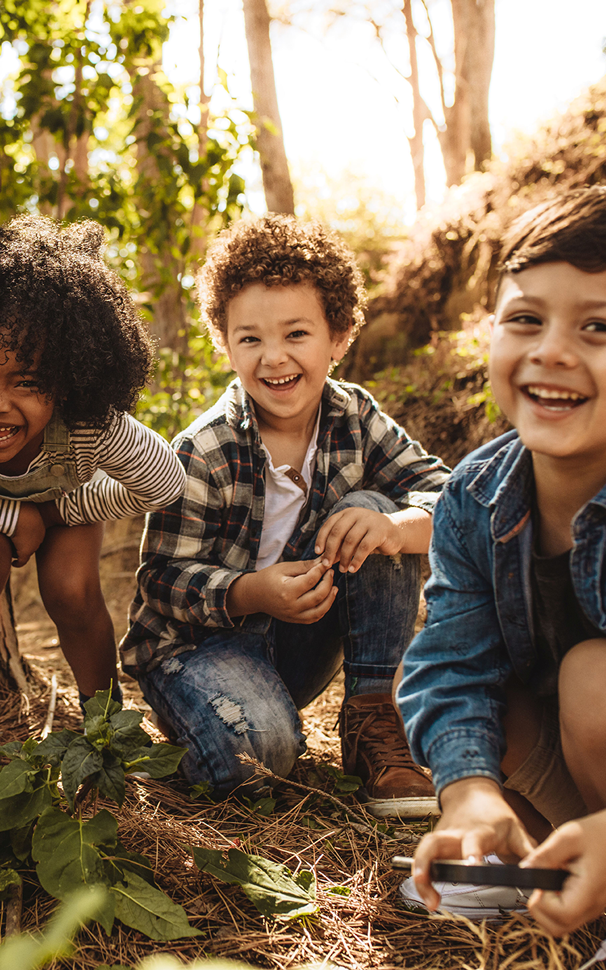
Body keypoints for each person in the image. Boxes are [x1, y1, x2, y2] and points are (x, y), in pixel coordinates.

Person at [120, 214, 450, 816]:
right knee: (260, 758)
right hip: (198, 651)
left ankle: (373, 716)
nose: (274, 359)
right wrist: (250, 593)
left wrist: (396, 528)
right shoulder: (204, 449)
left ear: (340, 336)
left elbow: (451, 498)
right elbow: (161, 580)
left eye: (296, 334)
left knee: (373, 512)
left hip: (300, 642)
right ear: (225, 344)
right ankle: (221, 726)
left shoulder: (356, 417)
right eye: (250, 339)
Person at [0, 215, 187, 755]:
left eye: (27, 383)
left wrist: (59, 511)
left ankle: (106, 728)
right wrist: (8, 517)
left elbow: (162, 482)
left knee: (71, 589)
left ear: (68, 384)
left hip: (64, 503)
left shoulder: (91, 425)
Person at [398, 186, 606, 933]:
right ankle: (541, 867)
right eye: (526, 319)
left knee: (593, 681)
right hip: (572, 767)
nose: (552, 350)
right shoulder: (475, 495)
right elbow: (451, 665)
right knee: (457, 676)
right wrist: (469, 794)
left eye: (598, 328)